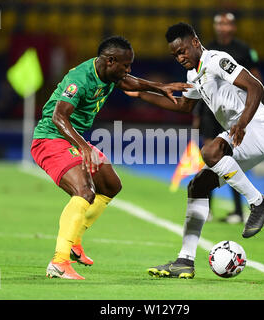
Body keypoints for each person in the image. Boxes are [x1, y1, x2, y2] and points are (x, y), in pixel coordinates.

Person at [124, 22, 264, 278]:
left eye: (183, 50)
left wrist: (241, 123)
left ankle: (259, 203)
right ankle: (184, 261)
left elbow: (256, 87)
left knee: (209, 152)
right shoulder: (192, 75)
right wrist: (142, 94)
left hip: (261, 128)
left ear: (195, 42)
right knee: (198, 186)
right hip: (242, 136)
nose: (180, 57)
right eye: (175, 55)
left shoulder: (217, 61)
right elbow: (185, 107)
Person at [31, 36, 190, 280]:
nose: (128, 70)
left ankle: (75, 241)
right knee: (84, 192)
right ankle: (59, 261)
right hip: (50, 139)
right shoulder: (80, 79)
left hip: (71, 141)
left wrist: (160, 87)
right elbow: (59, 117)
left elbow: (128, 82)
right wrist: (84, 146)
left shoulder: (109, 74)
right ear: (110, 60)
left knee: (110, 185)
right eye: (125, 65)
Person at [192, 12, 262, 224]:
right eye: (220, 24)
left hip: (234, 112)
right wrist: (196, 114)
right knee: (209, 159)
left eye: (227, 24)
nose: (223, 27)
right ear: (215, 27)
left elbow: (256, 78)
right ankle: (208, 209)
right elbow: (199, 85)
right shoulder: (207, 51)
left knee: (233, 160)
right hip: (209, 113)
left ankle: (238, 211)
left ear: (233, 27)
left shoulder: (244, 50)